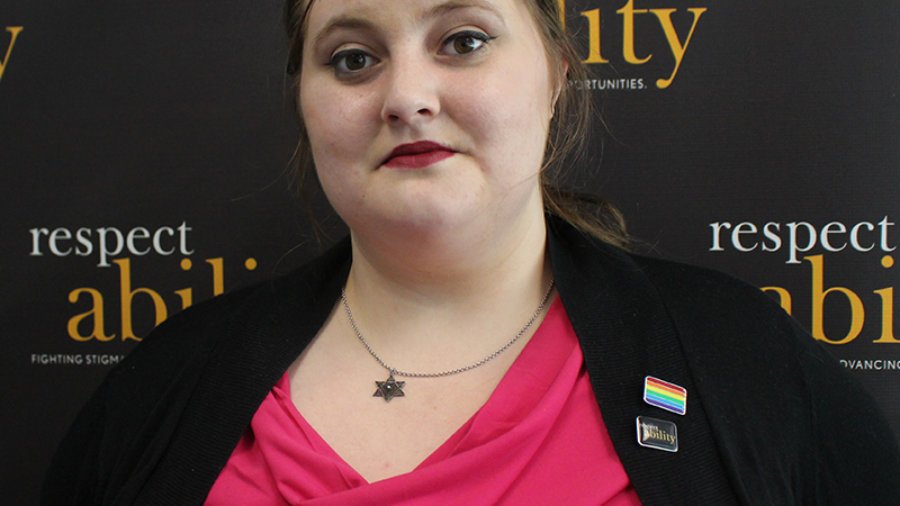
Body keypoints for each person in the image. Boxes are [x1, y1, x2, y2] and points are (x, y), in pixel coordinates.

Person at [43, 0, 900, 504]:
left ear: (558, 76)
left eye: (463, 40)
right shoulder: (163, 387)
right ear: (304, 103)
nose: (407, 96)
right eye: (351, 59)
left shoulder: (742, 361)